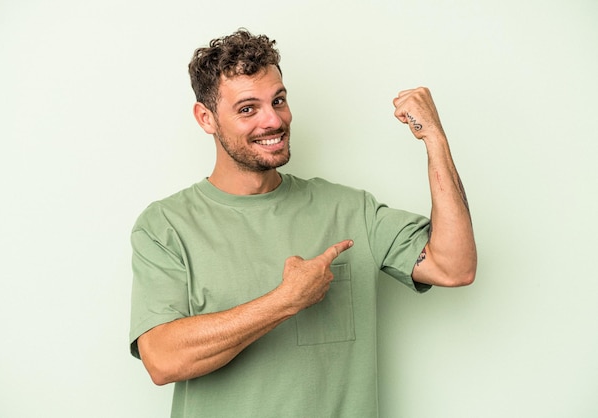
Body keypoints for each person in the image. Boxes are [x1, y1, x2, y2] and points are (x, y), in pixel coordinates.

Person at [129, 29, 476, 417]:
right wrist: (286, 300)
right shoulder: (165, 225)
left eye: (278, 100)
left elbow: (454, 266)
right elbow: (161, 360)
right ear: (206, 118)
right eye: (248, 109)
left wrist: (435, 139)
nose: (273, 120)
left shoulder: (349, 209)